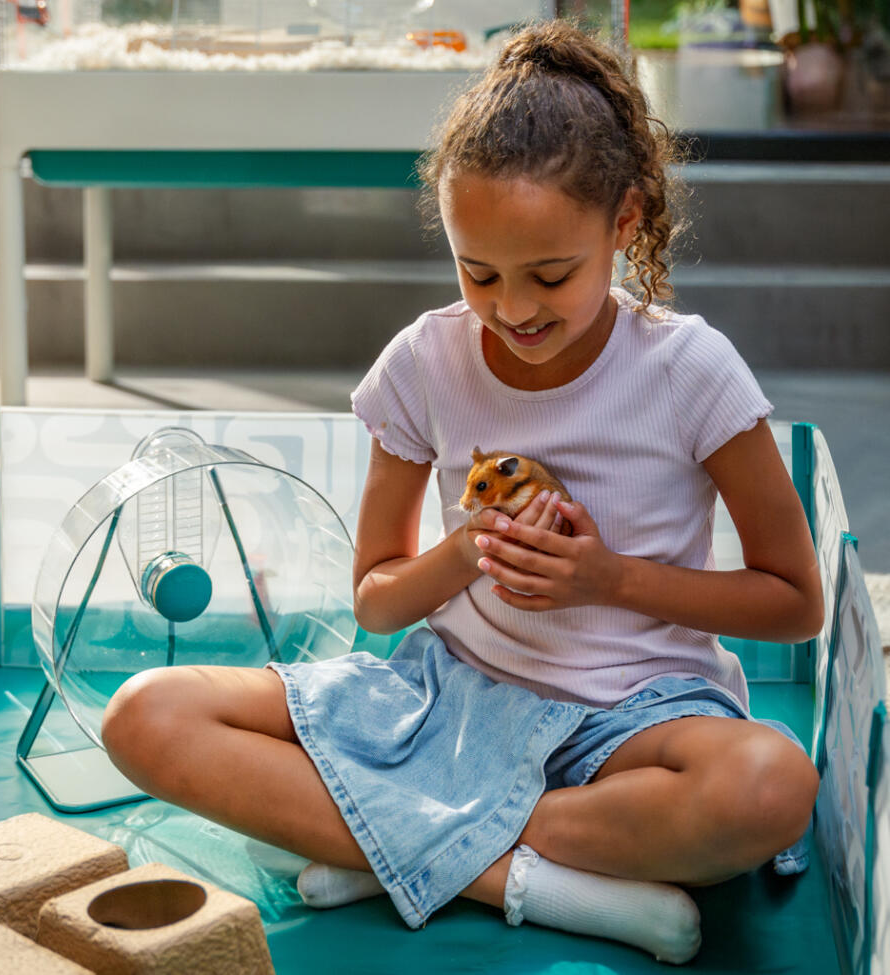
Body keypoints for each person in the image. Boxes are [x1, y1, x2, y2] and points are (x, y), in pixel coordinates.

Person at [101, 20, 824, 965]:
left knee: (769, 785)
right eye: (476, 272)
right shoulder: (424, 360)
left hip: (634, 721)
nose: (513, 309)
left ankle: (378, 844)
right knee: (144, 713)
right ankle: (531, 880)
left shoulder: (690, 369)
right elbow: (374, 596)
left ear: (626, 221)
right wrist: (461, 553)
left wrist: (605, 580)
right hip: (443, 704)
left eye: (550, 275)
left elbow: (796, 602)